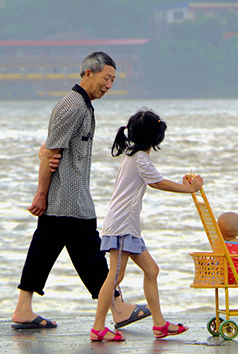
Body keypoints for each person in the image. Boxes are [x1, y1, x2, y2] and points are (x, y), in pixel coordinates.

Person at [11, 51, 150, 330]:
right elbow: (51, 149)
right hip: (69, 200)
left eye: (113, 80)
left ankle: (23, 308)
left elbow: (49, 147)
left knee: (47, 250)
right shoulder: (74, 106)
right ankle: (118, 307)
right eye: (106, 78)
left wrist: (43, 160)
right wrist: (40, 194)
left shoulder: (82, 105)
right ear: (88, 73)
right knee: (90, 252)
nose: (109, 85)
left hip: (67, 199)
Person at [90, 109, 203, 341]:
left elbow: (157, 180)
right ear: (156, 138)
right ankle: (98, 327)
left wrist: (184, 185)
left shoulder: (133, 156)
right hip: (122, 226)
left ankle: (159, 324)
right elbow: (158, 183)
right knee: (115, 277)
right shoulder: (140, 157)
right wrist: (191, 189)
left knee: (151, 270)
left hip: (127, 226)